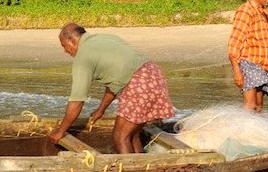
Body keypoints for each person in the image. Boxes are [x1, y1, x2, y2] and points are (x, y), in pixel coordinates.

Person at [49, 23, 176, 153]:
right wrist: (101, 110)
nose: (65, 51)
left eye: (64, 46)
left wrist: (61, 131)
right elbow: (115, 83)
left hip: (139, 84)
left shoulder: (82, 57)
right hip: (154, 74)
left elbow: (76, 101)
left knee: (120, 136)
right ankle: (140, 170)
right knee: (133, 134)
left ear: (72, 40)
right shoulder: (105, 38)